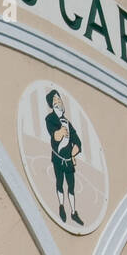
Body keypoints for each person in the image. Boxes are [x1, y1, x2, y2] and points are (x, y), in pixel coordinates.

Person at [44, 89, 82, 225]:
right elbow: (53, 135)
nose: (58, 102)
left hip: (69, 160)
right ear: (51, 105)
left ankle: (73, 212)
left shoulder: (68, 122)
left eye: (59, 99)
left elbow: (77, 141)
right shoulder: (50, 119)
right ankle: (61, 206)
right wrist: (59, 132)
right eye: (55, 101)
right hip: (58, 159)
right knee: (59, 183)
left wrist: (74, 151)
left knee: (71, 186)